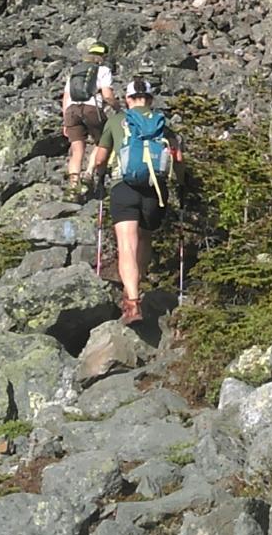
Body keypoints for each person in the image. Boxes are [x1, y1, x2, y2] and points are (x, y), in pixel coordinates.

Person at [92, 78, 182, 324]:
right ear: (150, 99)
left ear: (128, 99)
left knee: (127, 244)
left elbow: (100, 159)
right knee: (144, 237)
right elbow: (177, 157)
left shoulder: (116, 121)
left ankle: (132, 303)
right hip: (155, 190)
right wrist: (182, 185)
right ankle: (138, 284)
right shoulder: (162, 123)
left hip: (124, 187)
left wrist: (97, 178)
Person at [61, 41, 116, 190]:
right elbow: (107, 95)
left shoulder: (75, 70)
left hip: (71, 110)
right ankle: (89, 173)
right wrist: (118, 107)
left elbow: (66, 96)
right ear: (103, 55)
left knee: (77, 149)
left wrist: (65, 121)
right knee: (102, 141)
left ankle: (73, 186)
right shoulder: (103, 70)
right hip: (92, 108)